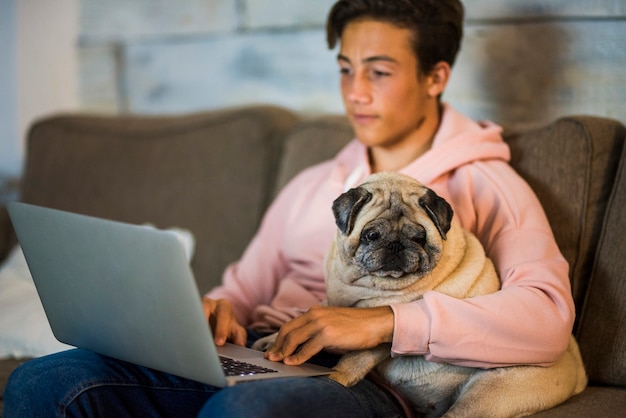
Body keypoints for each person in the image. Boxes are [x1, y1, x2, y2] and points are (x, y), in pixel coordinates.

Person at [4, 0, 575, 417]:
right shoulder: (311, 183)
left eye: (379, 71)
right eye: (346, 69)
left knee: (246, 413)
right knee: (45, 381)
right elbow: (241, 290)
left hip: (369, 380)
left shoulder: (486, 182)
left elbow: (547, 318)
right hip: (267, 351)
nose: (356, 91)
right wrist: (215, 310)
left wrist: (383, 321)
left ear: (435, 77)